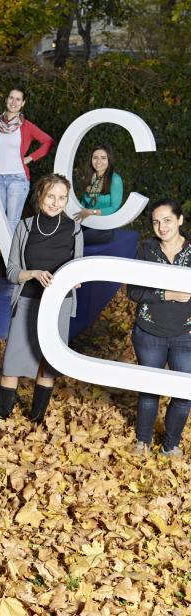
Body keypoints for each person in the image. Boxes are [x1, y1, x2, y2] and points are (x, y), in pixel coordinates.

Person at [0, 173, 83, 424]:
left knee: (47, 364)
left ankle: (36, 421)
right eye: (51, 196)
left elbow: (78, 268)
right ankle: (2, 421)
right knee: (11, 364)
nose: (56, 203)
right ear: (40, 196)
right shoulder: (24, 227)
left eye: (62, 198)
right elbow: (11, 272)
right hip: (27, 301)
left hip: (59, 305)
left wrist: (76, 279)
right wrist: (33, 273)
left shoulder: (75, 229)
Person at [127, 199, 191, 457]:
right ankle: (142, 441)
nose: (161, 226)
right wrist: (167, 294)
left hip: (186, 335)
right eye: (156, 222)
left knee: (184, 392)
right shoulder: (145, 249)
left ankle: (171, 444)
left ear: (180, 220)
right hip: (149, 332)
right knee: (149, 389)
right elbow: (133, 291)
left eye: (167, 220)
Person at [0, 87, 55, 233]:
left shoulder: (26, 126)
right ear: (6, 100)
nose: (14, 102)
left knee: (11, 223)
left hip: (18, 179)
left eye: (18, 99)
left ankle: (11, 256)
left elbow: (49, 142)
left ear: (23, 103)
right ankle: (9, 254)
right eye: (11, 98)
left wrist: (30, 158)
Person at [74, 144, 123, 244]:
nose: (98, 161)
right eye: (95, 157)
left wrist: (92, 212)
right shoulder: (89, 178)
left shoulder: (115, 179)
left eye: (103, 158)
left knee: (76, 239)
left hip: (104, 226)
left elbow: (114, 208)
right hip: (87, 222)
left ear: (109, 160)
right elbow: (84, 203)